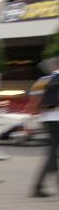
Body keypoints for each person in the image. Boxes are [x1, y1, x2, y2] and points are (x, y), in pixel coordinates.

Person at [26, 58, 59, 197]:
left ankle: (42, 185)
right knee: (52, 153)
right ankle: (38, 187)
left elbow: (34, 101)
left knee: (53, 151)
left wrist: (32, 118)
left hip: (48, 119)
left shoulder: (43, 80)